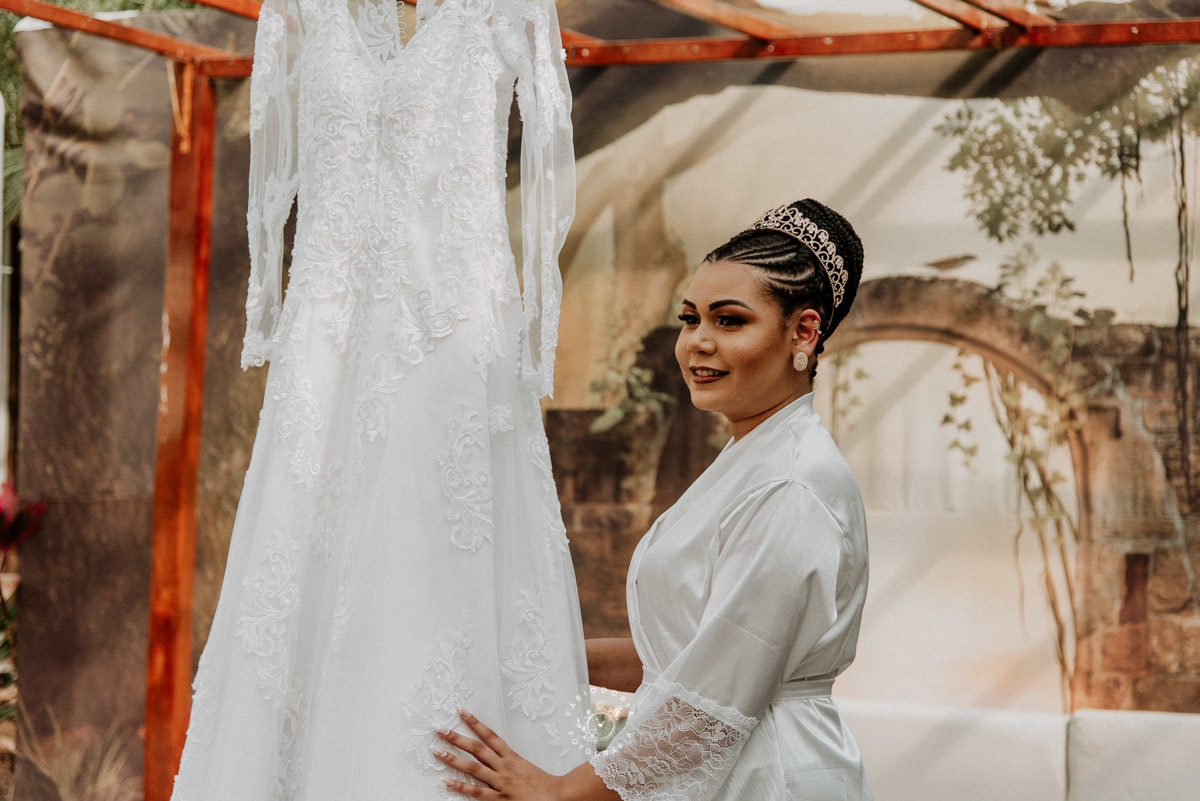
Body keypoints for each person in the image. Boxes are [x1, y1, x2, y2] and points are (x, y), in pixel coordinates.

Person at [434, 198, 872, 801]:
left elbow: (710, 703)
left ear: (803, 331)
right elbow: (682, 655)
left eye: (730, 321)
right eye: (690, 319)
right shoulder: (752, 460)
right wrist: (524, 657)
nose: (698, 343)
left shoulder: (791, 484)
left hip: (768, 779)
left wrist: (559, 793)